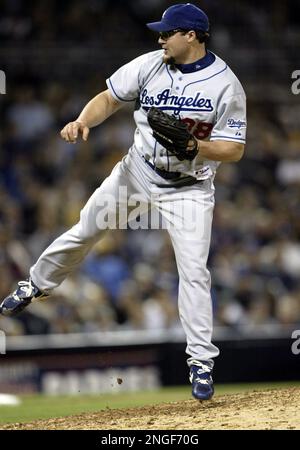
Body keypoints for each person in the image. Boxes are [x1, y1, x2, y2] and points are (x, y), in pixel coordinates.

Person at [0, 3, 247, 401]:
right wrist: (83, 120)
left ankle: (201, 363)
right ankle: (35, 284)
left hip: (188, 186)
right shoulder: (149, 65)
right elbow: (108, 98)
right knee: (85, 228)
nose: (160, 38)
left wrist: (195, 146)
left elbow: (234, 149)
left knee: (194, 272)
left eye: (168, 32)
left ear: (192, 36)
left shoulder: (225, 85)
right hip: (137, 171)